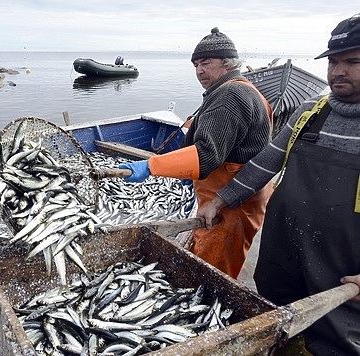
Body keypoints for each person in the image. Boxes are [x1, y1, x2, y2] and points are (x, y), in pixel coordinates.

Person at [198, 13, 360, 355]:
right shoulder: (311, 111)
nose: (338, 71)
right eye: (333, 62)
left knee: (334, 339)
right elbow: (265, 162)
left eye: (353, 61)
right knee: (274, 318)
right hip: (283, 248)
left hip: (344, 266)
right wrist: (220, 200)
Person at [119, 27, 274, 279]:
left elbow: (205, 156)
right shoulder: (245, 88)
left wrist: (151, 166)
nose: (200, 70)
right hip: (244, 193)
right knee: (226, 255)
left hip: (231, 199)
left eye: (206, 63)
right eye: (196, 64)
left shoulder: (230, 95)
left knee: (210, 273)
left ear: (227, 63)